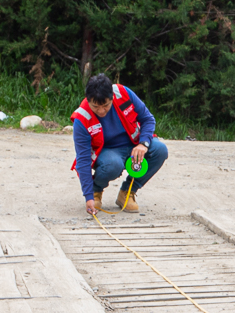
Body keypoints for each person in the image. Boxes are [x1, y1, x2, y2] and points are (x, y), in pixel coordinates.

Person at [72, 73, 168, 215]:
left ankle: (128, 192)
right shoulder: (82, 118)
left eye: (106, 105)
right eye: (95, 107)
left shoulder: (123, 93)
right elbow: (83, 159)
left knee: (160, 150)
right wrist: (88, 196)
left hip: (134, 144)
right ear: (88, 99)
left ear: (112, 97)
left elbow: (148, 119)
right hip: (107, 153)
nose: (101, 111)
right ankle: (96, 190)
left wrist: (143, 144)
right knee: (113, 164)